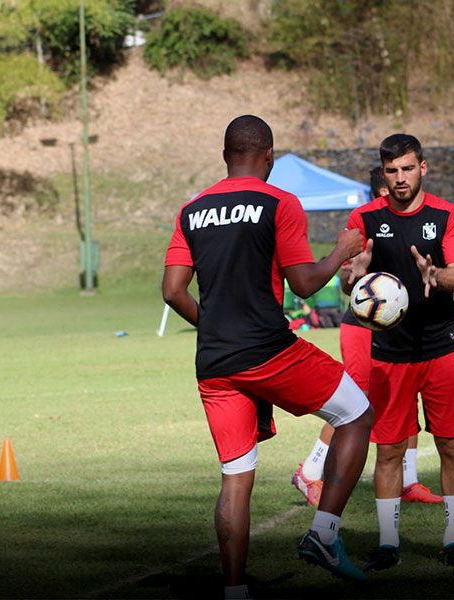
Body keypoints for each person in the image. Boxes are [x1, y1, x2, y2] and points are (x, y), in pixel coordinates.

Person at [162, 115, 374, 596]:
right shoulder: (278, 201)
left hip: (215, 363)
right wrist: (342, 249)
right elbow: (302, 284)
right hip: (270, 351)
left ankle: (235, 592)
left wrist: (216, 327)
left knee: (236, 476)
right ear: (269, 157)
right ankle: (323, 536)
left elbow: (173, 291)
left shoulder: (192, 208)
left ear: (225, 157)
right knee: (358, 415)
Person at [342, 133, 454, 571]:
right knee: (388, 452)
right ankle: (387, 544)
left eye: (407, 169)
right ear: (383, 174)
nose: (400, 178)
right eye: (392, 171)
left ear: (423, 168)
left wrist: (434, 273)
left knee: (452, 447)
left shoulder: (448, 214)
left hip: (441, 348)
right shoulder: (363, 217)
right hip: (389, 353)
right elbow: (346, 279)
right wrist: (353, 277)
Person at [292, 166, 442, 509]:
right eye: (392, 186)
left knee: (408, 398)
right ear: (380, 193)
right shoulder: (364, 230)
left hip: (403, 329)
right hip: (363, 328)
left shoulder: (414, 224)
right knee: (354, 399)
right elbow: (348, 280)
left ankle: (408, 481)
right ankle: (310, 471)